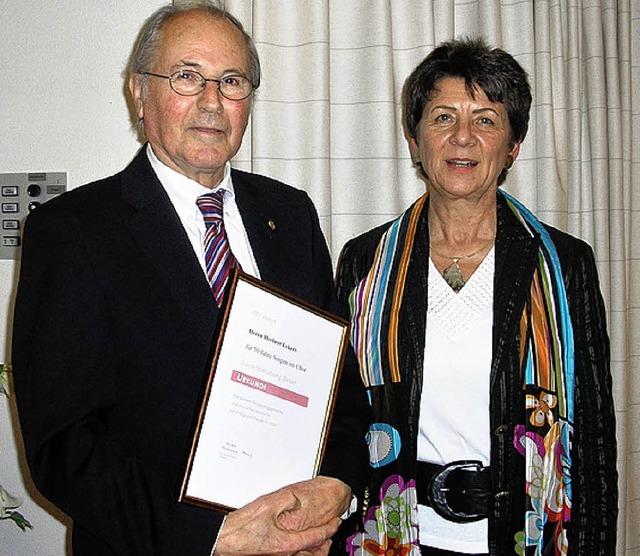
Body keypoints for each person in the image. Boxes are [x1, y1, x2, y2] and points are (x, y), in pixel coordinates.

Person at [11, 2, 369, 555]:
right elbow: (64, 447)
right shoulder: (72, 231)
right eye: (186, 77)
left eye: (231, 81)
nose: (211, 102)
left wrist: (338, 490)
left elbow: (339, 385)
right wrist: (214, 537)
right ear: (139, 92)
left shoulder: (291, 215)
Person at [335, 38, 617, 555]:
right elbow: (339, 419)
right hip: (391, 538)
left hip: (523, 537)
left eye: (486, 119)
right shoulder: (364, 262)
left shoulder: (563, 264)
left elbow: (594, 443)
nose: (463, 137)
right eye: (443, 117)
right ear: (415, 139)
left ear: (512, 145)